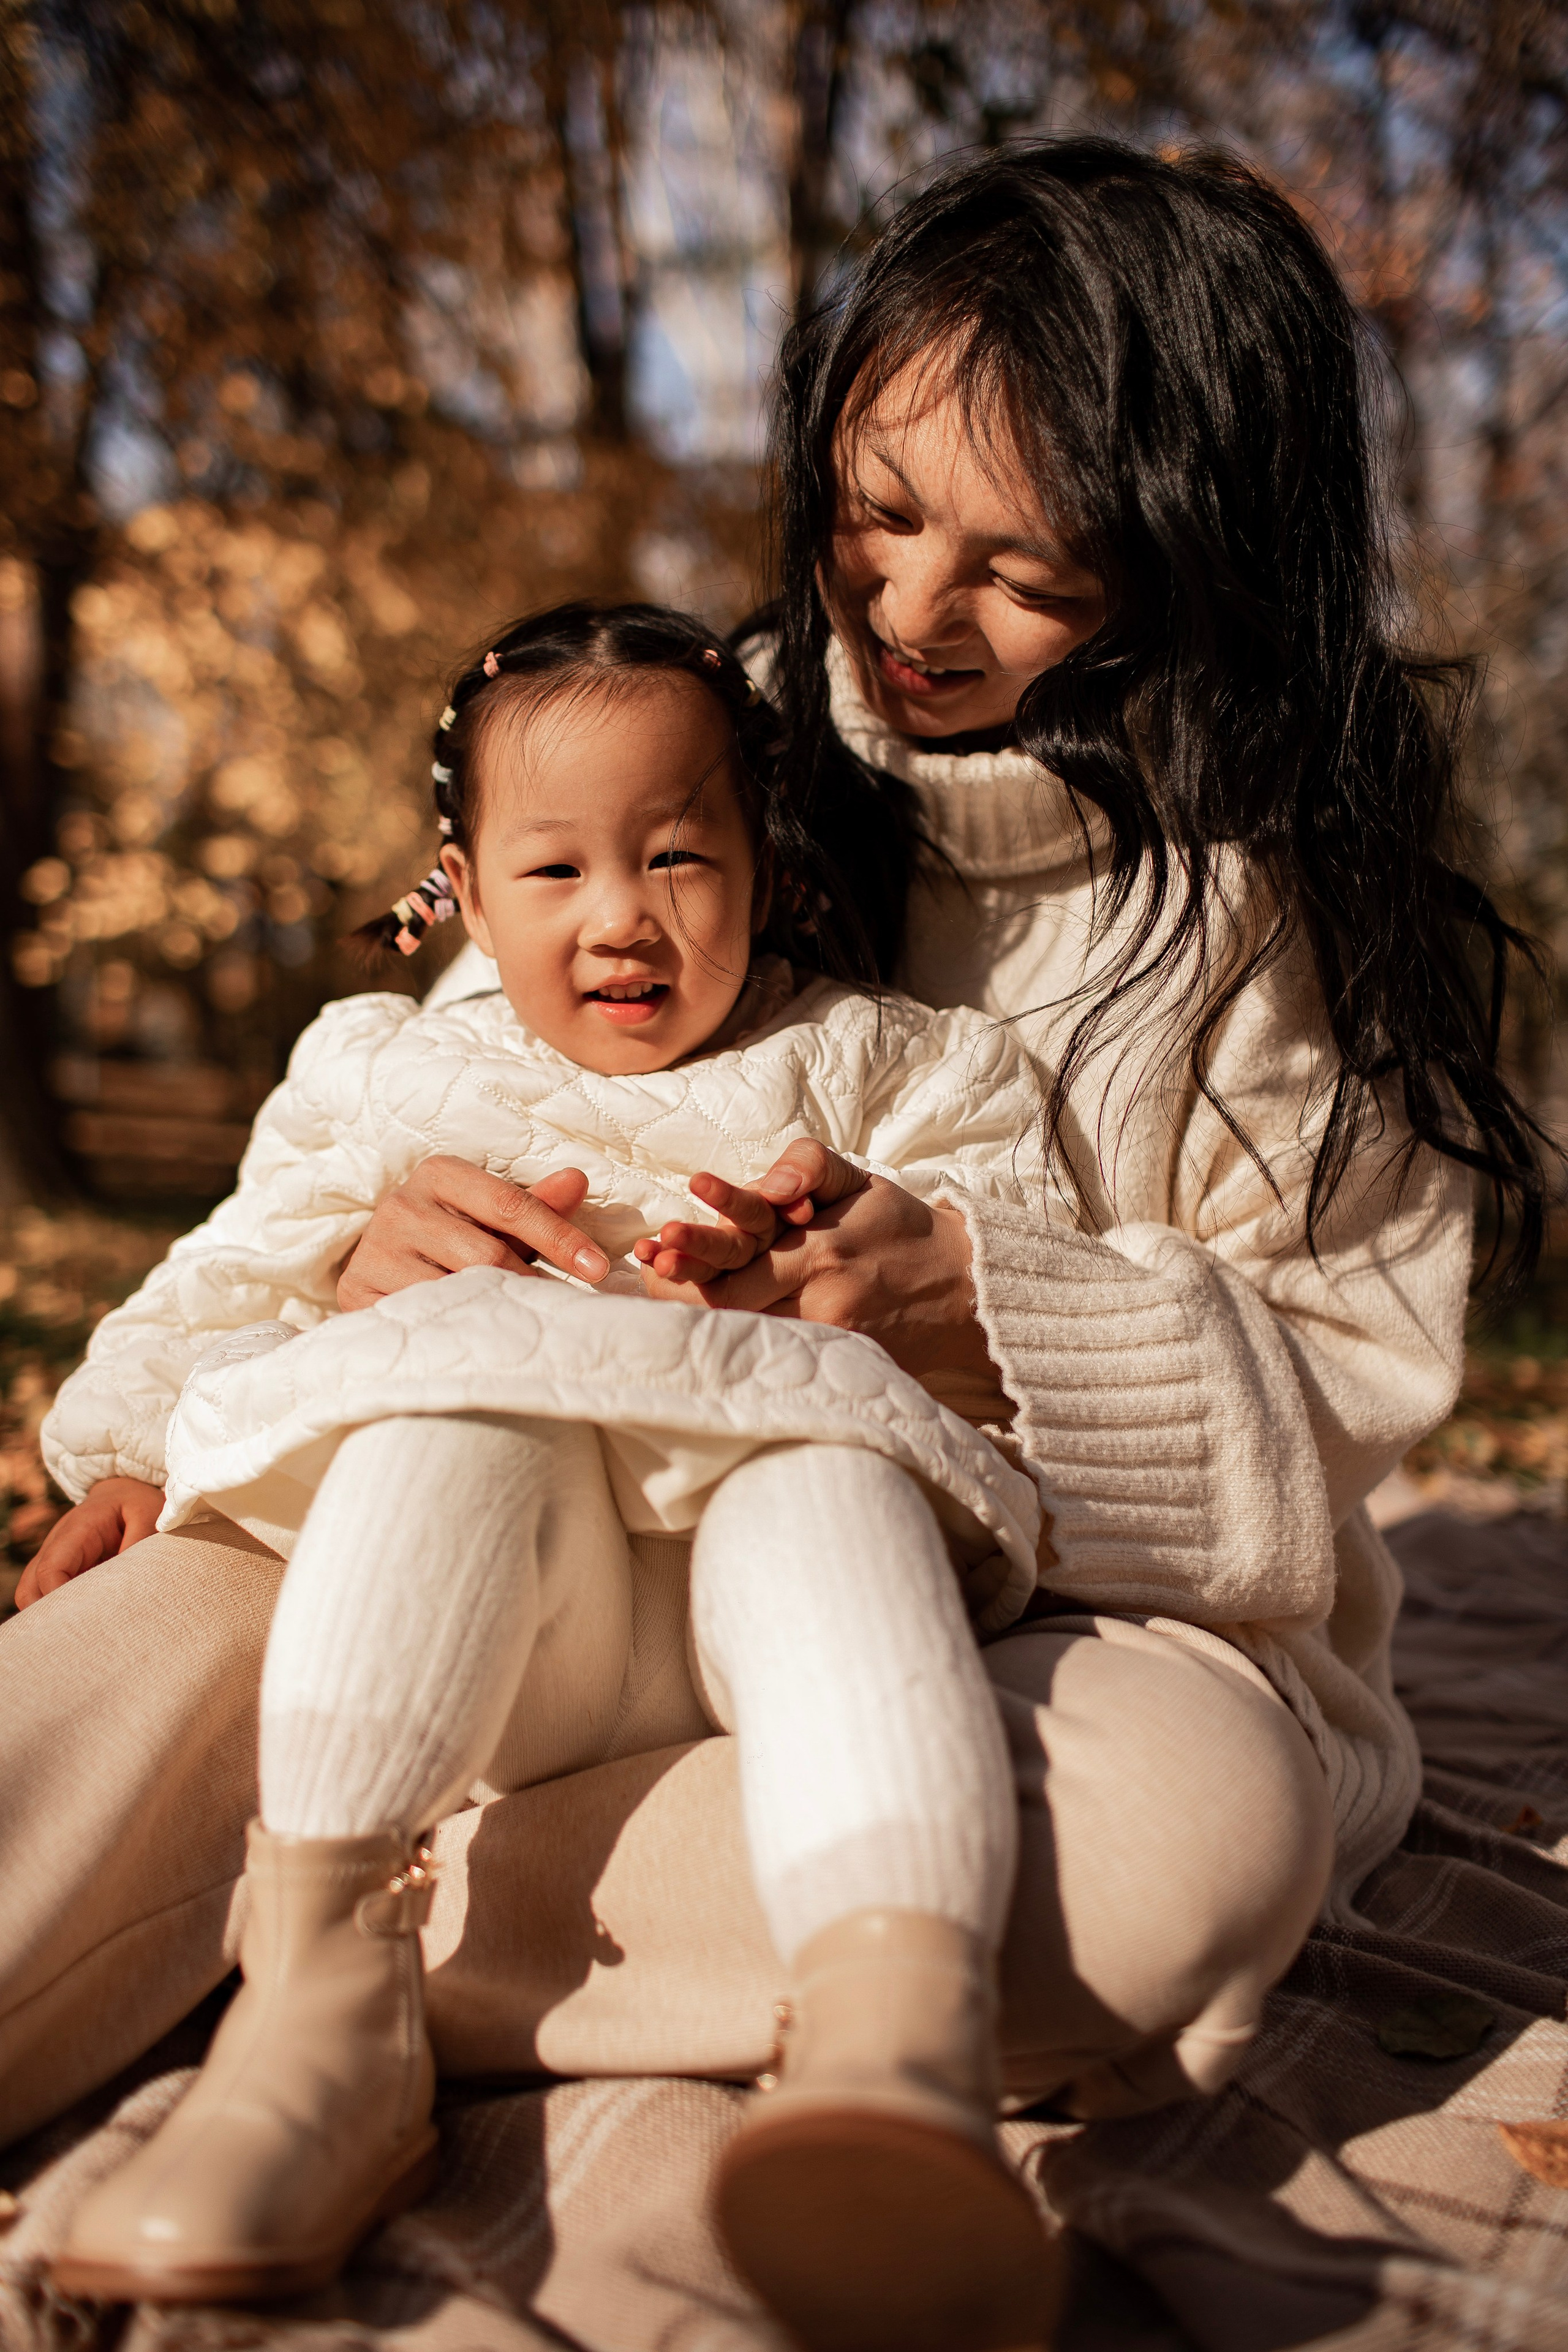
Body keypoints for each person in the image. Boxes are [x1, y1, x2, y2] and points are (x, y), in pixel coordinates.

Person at [0, 136, 1546, 2351]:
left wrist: (986, 1319)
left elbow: (1336, 1431)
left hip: (1000, 1593)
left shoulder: (1284, 915)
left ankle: (334, 1931)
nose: (910, 616)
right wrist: (365, 1261)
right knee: (142, 1654)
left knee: (1175, 1848)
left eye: (1029, 569)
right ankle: (338, 1904)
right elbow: (415, 1098)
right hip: (505, 1517)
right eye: (879, 512)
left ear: (1195, 561)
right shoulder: (680, 726)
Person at [40, 600, 1060, 2343]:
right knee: (455, 1395)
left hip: (762, 1630)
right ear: (462, 885)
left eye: (678, 855)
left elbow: (1009, 1268)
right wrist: (126, 1450)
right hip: (498, 1633)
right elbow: (223, 1277)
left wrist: (892, 1270)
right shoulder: (398, 1078)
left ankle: (893, 2040)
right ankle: (322, 2020)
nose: (621, 921)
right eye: (554, 871)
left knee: (822, 1455)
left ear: (760, 858)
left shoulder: (889, 1064)